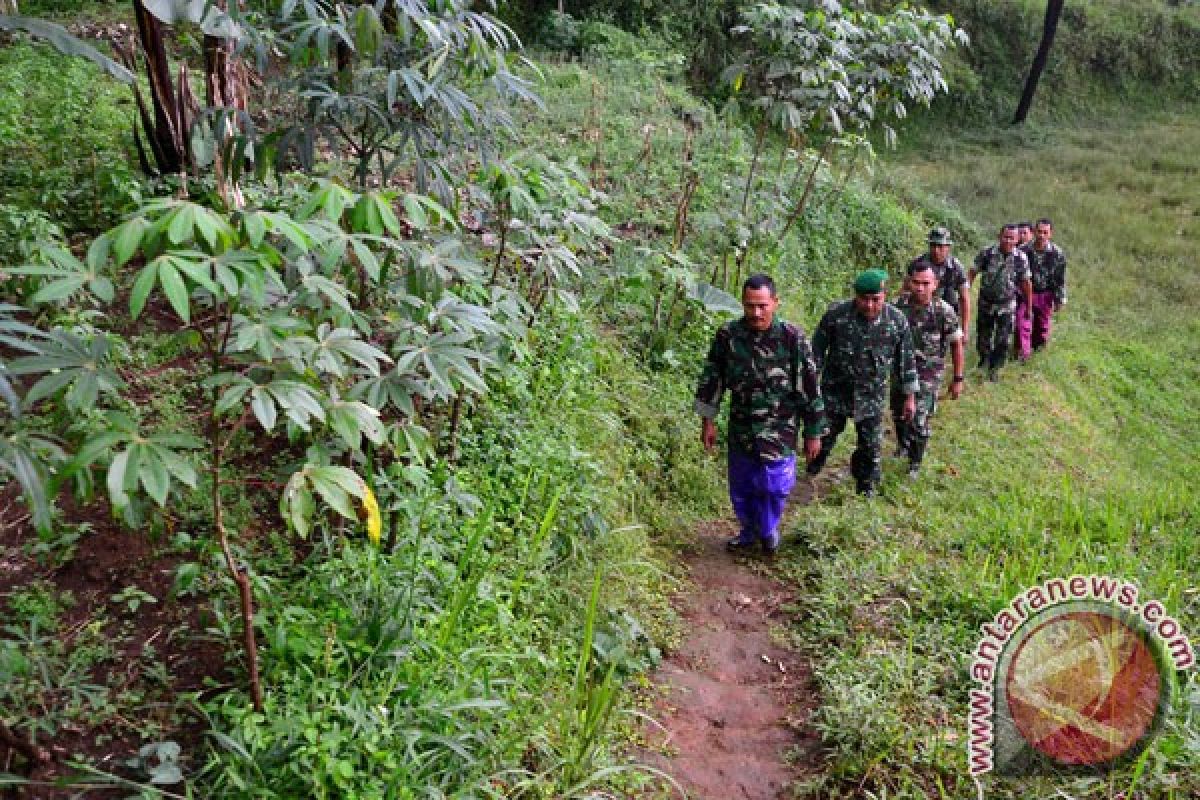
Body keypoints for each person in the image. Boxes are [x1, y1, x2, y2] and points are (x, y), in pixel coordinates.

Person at [695, 274, 825, 555]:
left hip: (781, 427)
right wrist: (708, 422)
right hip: (742, 425)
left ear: (775, 303)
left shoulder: (792, 339)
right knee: (742, 485)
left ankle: (768, 530)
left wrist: (813, 432)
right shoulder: (728, 337)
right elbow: (712, 379)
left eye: (762, 306)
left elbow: (810, 386)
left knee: (774, 485)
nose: (756, 313)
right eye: (750, 306)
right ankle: (749, 531)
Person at [807, 269, 917, 497]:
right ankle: (807, 478)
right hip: (834, 392)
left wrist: (909, 397)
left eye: (875, 300)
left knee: (870, 448)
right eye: (863, 299)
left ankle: (865, 492)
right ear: (855, 296)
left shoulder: (896, 321)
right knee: (822, 441)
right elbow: (815, 354)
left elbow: (905, 362)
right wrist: (808, 390)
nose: (869, 306)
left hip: (871, 398)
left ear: (885, 295)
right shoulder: (836, 315)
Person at [891, 263, 965, 477]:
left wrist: (958, 378)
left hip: (928, 374)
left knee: (918, 417)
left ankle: (915, 462)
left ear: (935, 285)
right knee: (898, 412)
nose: (920, 288)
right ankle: (903, 445)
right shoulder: (897, 306)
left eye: (926, 284)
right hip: (901, 370)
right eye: (916, 283)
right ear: (909, 282)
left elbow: (956, 344)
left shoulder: (943, 311)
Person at [971, 224, 1031, 381]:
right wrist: (966, 292)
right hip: (986, 302)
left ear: (1017, 240)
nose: (1008, 241)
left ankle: (995, 368)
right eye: (1006, 237)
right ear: (1000, 236)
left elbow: (1026, 283)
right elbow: (972, 272)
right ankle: (984, 360)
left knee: (1003, 339)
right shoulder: (987, 253)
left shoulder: (1021, 258)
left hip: (1007, 304)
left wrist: (1029, 306)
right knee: (984, 334)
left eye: (1012, 238)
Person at [906, 226, 971, 342]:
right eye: (933, 245)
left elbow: (964, 298)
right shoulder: (917, 263)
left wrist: (965, 330)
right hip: (919, 312)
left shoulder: (956, 267)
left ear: (948, 247)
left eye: (940, 246)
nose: (936, 250)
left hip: (946, 314)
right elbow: (905, 290)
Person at [1015, 217, 1067, 359]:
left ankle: (1037, 353)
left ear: (1050, 234)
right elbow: (1015, 274)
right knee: (1022, 323)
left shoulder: (1057, 253)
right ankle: (1023, 355)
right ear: (1034, 232)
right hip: (1025, 294)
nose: (1042, 235)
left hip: (1045, 295)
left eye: (1045, 232)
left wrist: (1060, 298)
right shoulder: (1022, 250)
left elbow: (1060, 278)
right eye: (1039, 232)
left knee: (1041, 328)